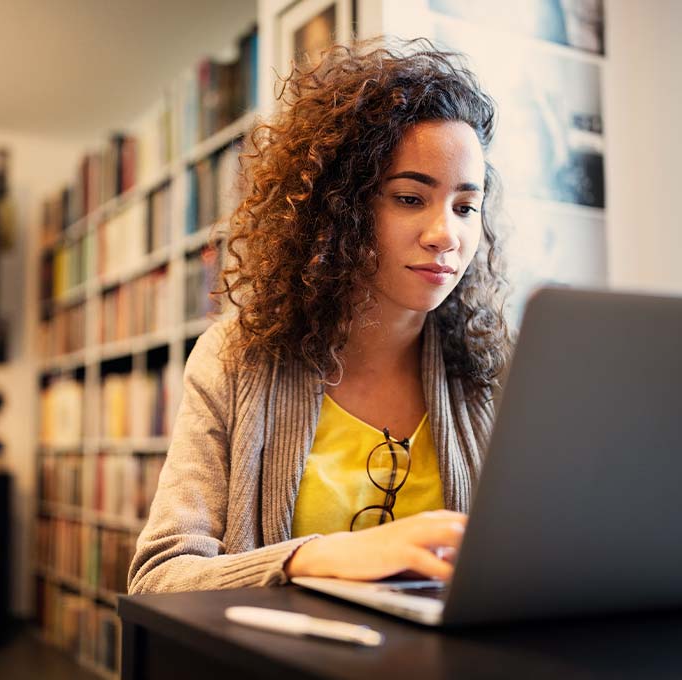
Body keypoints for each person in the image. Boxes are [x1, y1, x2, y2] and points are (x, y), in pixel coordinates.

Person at [128, 38, 511, 594]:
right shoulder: (235, 357)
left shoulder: (497, 369)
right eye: (409, 198)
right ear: (340, 207)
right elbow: (158, 577)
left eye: (465, 207)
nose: (445, 235)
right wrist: (319, 558)